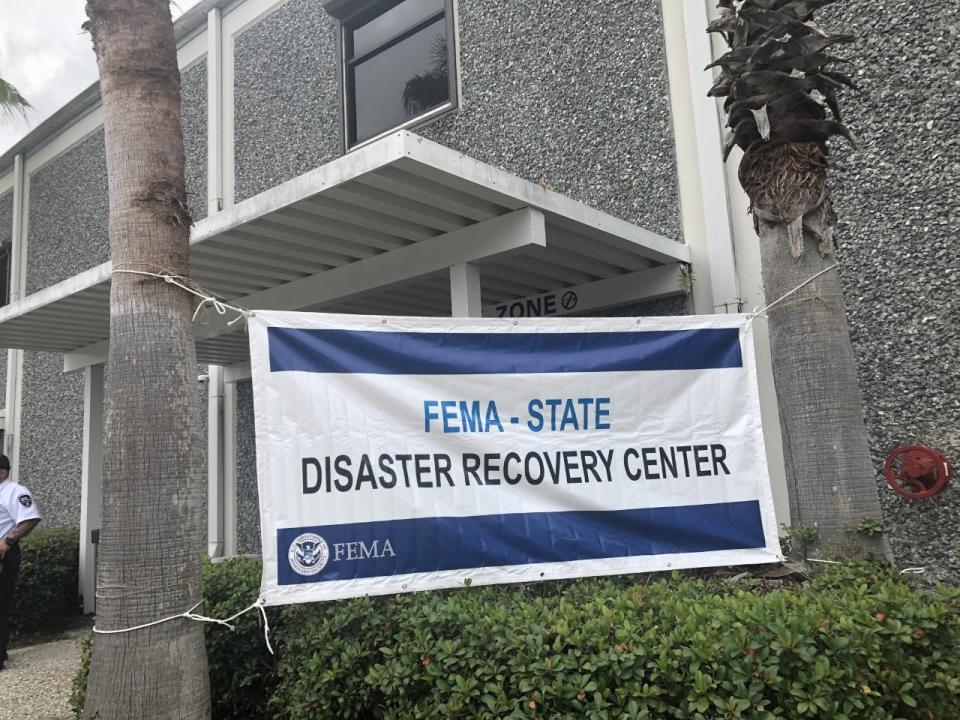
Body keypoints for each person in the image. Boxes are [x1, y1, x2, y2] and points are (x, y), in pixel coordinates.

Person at [0, 454, 41, 671]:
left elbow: (30, 518)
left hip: (4, 556)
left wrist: (8, 540)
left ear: (3, 471)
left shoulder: (15, 492)